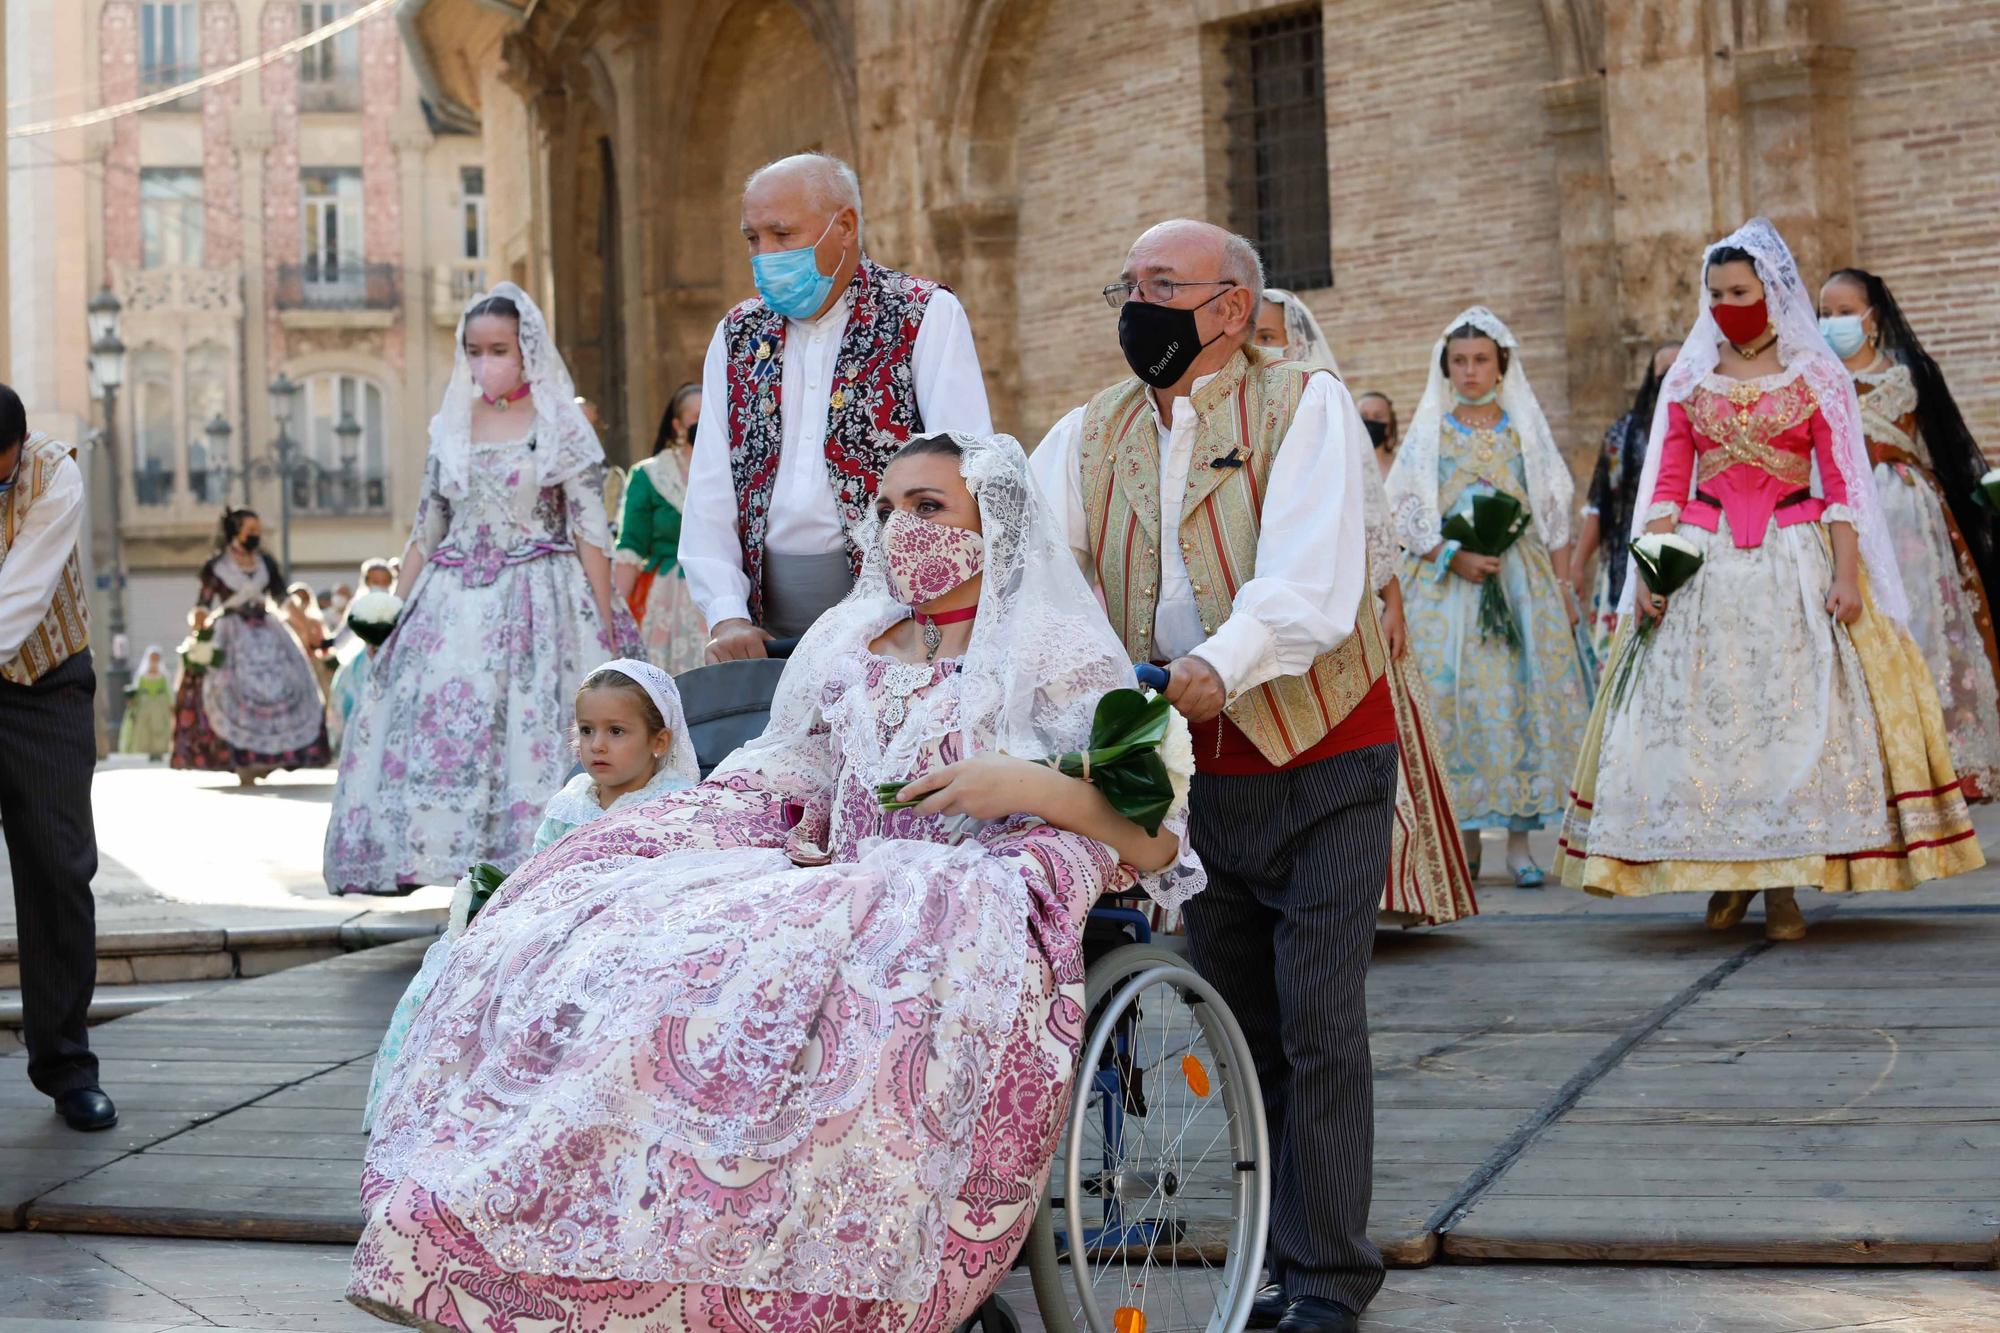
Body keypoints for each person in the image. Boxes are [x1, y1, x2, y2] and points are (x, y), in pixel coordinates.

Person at [348, 432, 1197, 1332]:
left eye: (929, 507)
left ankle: (808, 1273)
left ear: (996, 523)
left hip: (965, 886)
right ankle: (559, 1232)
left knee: (827, 977)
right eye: (885, 509)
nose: (901, 529)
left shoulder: (1052, 646)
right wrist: (683, 829)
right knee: (642, 938)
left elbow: (1150, 837)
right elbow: (789, 767)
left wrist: (1020, 786)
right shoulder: (851, 637)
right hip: (831, 871)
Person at [1031, 220, 1394, 1333]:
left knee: (1318, 1016)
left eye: (1160, 286)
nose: (1134, 307)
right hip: (1188, 776)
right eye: (1125, 286)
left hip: (1320, 751)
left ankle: (1329, 1276)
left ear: (1230, 306)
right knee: (1239, 1022)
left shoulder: (1306, 407)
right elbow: (1042, 571)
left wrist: (1212, 664)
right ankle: (1280, 1255)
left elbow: (1308, 581)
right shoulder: (1087, 433)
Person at [1560, 218, 1983, 938]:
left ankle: (1785, 882)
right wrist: (1650, 571)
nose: (1726, 304)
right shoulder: (1692, 379)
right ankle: (1727, 876)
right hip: (1705, 564)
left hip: (1795, 554)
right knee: (1715, 720)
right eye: (1716, 293)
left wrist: (1848, 575)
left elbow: (1845, 484)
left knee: (1792, 720)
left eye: (1740, 291)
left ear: (1771, 292)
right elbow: (1664, 487)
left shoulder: (1813, 374)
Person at [324, 284, 637, 896]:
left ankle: (541, 875)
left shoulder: (558, 425)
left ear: (526, 351)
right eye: (473, 349)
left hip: (541, 601)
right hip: (450, 600)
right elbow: (426, 529)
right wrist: (387, 617)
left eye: (498, 348)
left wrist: (604, 627)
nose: (484, 362)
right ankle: (461, 883)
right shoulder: (451, 427)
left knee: (534, 731)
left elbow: (589, 530)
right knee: (444, 726)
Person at [362, 658, 699, 1132]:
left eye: (616, 732)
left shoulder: (673, 804)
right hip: (555, 919)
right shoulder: (571, 802)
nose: (596, 745)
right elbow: (539, 869)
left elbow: (685, 877)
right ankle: (453, 1103)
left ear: (659, 742)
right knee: (467, 963)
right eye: (586, 730)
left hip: (629, 926)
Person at [683, 152, 992, 659]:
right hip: (766, 626)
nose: (764, 255)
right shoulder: (737, 334)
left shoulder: (923, 314)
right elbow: (710, 487)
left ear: (844, 226)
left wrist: (932, 611)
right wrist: (727, 613)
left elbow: (968, 471)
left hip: (896, 618)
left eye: (782, 235)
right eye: (752, 239)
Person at [1249, 285, 1473, 927]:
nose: (1259, 349)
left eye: (1269, 337)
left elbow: (1370, 507)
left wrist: (1392, 596)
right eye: (1253, 337)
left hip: (1339, 604)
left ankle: (1378, 888)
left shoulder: (1322, 400)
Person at [1386, 306, 1592, 889]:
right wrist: (1451, 555)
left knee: (1519, 699)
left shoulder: (1523, 428)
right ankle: (1467, 839)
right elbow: (1401, 507)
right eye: (1459, 361)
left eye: (1480, 360)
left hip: (1517, 578)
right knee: (1456, 703)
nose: (1470, 371)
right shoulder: (1433, 430)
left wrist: (1560, 587)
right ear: (1445, 367)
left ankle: (1523, 843)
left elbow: (1552, 505)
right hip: (1451, 585)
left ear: (1501, 366)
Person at [1819, 267, 2000, 799]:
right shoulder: (1814, 379)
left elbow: (1949, 447)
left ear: (1873, 318)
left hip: (1907, 520)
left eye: (1844, 312)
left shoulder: (1910, 374)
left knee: (1920, 630)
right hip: (1841, 518)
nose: (1832, 322)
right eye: (1824, 313)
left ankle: (1938, 762)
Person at [0, 385, 113, 1132]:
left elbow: (18, 596)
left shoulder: (54, 472)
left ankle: (68, 1067)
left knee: (59, 872)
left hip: (42, 687)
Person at [170, 508, 332, 784]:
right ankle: (241, 757)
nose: (256, 536)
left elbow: (283, 599)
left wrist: (306, 627)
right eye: (251, 531)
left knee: (290, 682)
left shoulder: (266, 563)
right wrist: (198, 621)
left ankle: (270, 757)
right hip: (231, 632)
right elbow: (203, 603)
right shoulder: (216, 566)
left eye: (258, 531)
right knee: (226, 688)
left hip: (269, 629)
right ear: (236, 532)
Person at [1572, 342, 1682, 662]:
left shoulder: (1706, 428)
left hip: (1686, 557)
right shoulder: (1621, 435)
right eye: (1665, 373)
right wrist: (1576, 566)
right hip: (1627, 560)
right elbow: (1599, 507)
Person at [615, 383, 706, 673]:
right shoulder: (650, 475)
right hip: (664, 599)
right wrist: (612, 617)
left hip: (719, 589)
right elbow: (630, 545)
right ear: (677, 425)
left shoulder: (735, 468)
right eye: (696, 416)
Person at [117, 645, 174, 760]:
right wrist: (132, 701)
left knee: (159, 730)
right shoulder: (142, 677)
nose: (154, 661)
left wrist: (171, 705)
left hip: (159, 709)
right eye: (152, 658)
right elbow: (136, 690)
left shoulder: (163, 677)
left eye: (156, 658)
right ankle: (145, 752)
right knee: (144, 730)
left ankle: (158, 752)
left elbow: (169, 693)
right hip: (144, 708)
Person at [1356, 391, 1398, 474]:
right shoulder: (1344, 466)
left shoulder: (1401, 465)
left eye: (1378, 416)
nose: (1370, 421)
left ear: (1390, 425)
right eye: (1363, 416)